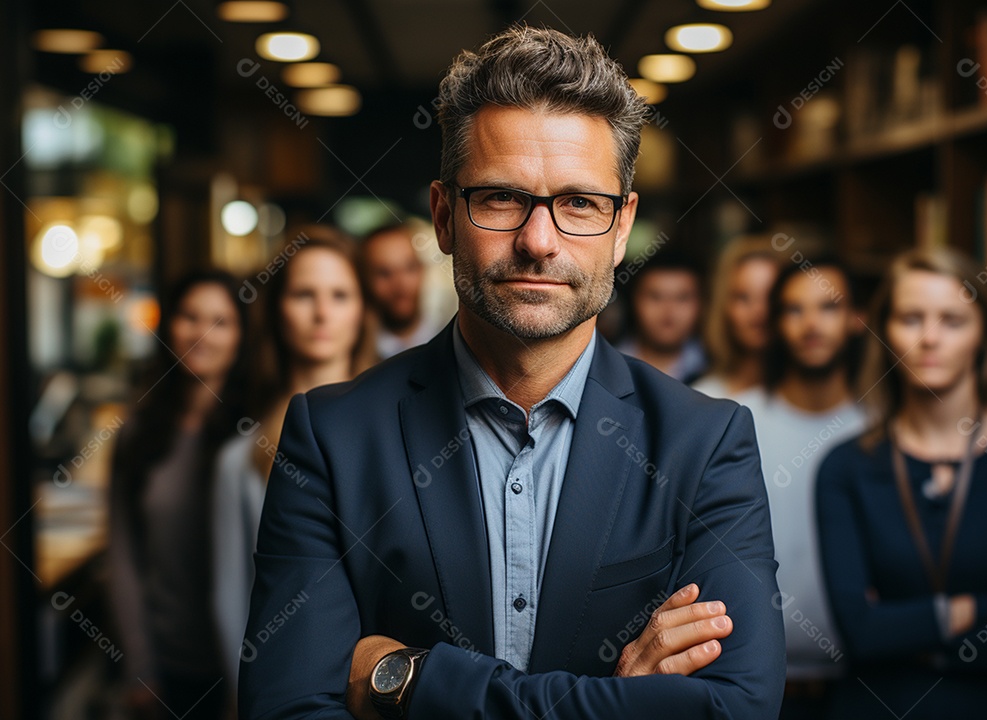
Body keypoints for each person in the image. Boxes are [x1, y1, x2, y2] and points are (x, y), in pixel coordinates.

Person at [239, 25, 784, 720]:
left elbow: (734, 711)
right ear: (442, 216)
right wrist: (621, 703)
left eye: (579, 204)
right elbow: (285, 710)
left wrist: (413, 681)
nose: (538, 240)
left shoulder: (706, 443)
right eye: (500, 198)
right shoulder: (330, 436)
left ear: (622, 229)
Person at [816, 247, 987, 719]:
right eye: (911, 318)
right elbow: (860, 632)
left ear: (984, 335)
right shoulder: (846, 467)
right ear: (885, 332)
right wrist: (980, 609)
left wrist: (904, 627)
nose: (929, 338)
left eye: (952, 321)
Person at [211, 227, 376, 708]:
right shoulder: (237, 459)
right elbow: (230, 605)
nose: (323, 313)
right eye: (305, 294)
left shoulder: (415, 433)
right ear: (277, 310)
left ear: (363, 308)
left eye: (340, 295)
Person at [699, 254, 866, 717]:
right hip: (743, 685)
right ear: (774, 323)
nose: (812, 324)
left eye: (829, 307)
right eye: (794, 309)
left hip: (863, 684)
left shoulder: (877, 431)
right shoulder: (728, 418)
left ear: (858, 319)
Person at [109, 269, 248, 720]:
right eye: (189, 316)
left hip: (244, 667)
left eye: (220, 321)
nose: (201, 334)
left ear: (243, 335)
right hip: (164, 668)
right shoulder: (138, 431)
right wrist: (140, 665)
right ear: (168, 325)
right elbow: (123, 554)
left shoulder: (257, 436)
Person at [693, 237, 781, 399]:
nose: (759, 311)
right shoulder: (704, 397)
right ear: (722, 306)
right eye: (743, 297)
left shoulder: (816, 398)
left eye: (770, 296)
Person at [616, 251, 707, 383]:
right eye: (656, 297)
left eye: (682, 298)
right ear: (634, 301)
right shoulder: (604, 366)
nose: (669, 310)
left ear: (702, 303)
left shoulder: (717, 369)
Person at [359, 222, 443, 360]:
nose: (401, 284)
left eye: (409, 268)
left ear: (422, 271)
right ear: (364, 280)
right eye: (384, 273)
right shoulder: (356, 360)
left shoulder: (454, 341)